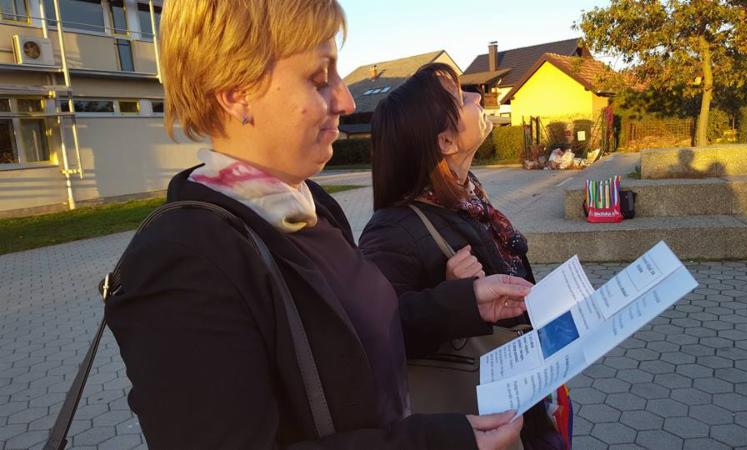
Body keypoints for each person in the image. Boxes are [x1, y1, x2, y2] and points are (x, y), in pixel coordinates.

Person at [105, 1, 533, 448]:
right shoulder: (183, 260)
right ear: (235, 92)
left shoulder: (312, 207)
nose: (346, 100)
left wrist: (460, 304)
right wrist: (436, 442)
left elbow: (351, 340)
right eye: (317, 78)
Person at [359, 63, 570, 449]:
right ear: (445, 142)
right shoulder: (392, 230)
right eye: (461, 98)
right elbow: (373, 337)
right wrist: (454, 295)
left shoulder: (469, 200)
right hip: (478, 421)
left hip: (526, 401)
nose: (477, 98)